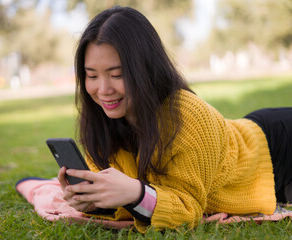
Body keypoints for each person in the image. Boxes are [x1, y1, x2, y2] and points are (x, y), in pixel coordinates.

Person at [56, 6, 292, 232]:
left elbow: (188, 210)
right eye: (92, 76)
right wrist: (96, 203)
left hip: (276, 147)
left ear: (144, 69)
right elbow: (128, 206)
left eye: (117, 74)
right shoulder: (101, 125)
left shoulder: (187, 115)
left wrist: (136, 192)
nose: (103, 89)